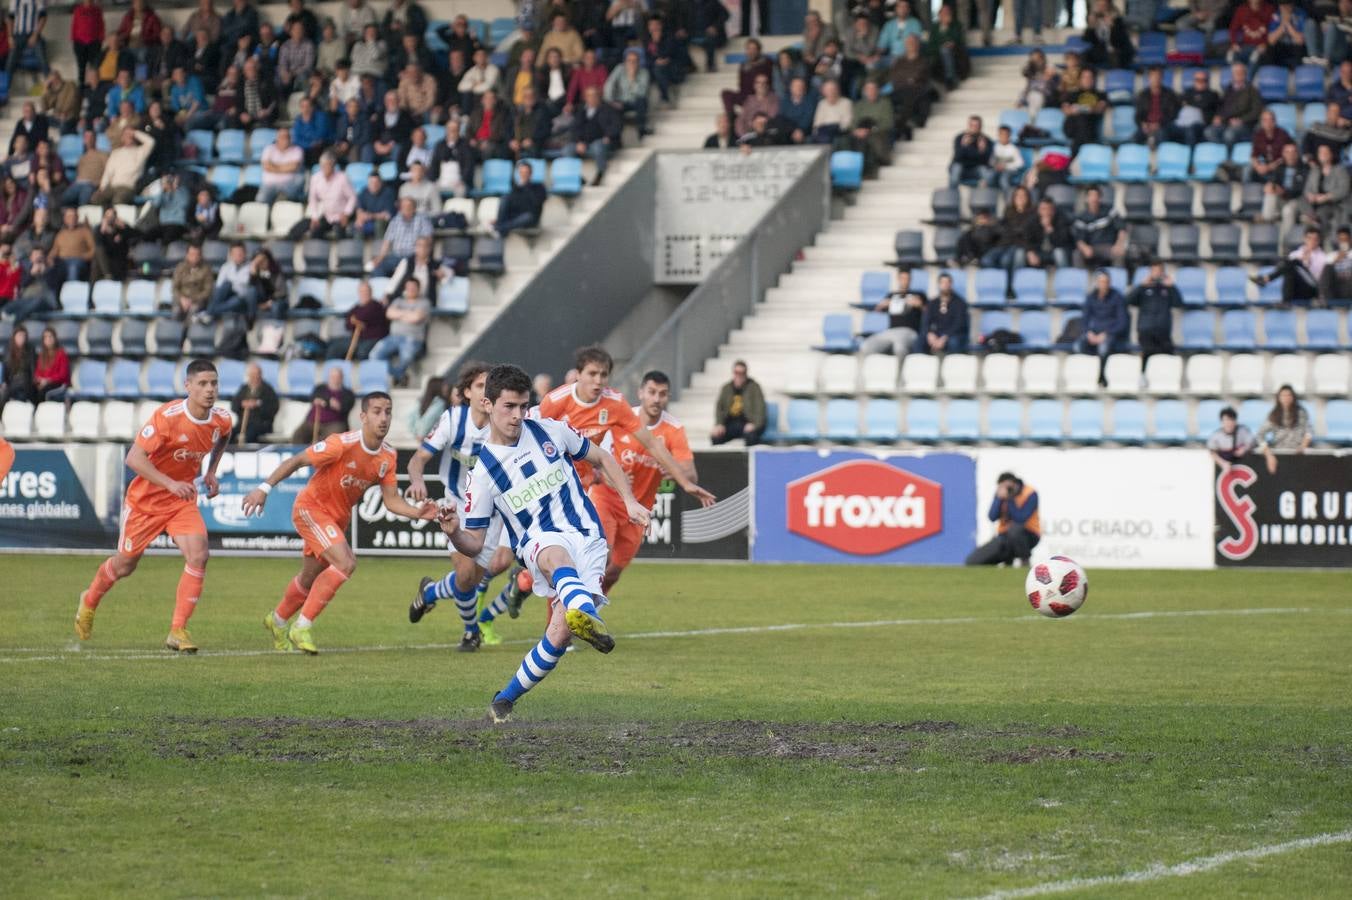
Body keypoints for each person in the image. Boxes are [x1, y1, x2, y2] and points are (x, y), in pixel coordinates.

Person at [437, 364, 651, 723]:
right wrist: (454, 532)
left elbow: (601, 456)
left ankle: (504, 699)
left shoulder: (551, 431)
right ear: (488, 404)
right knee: (554, 555)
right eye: (509, 407)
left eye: (523, 407)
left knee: (558, 633)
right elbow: (473, 545)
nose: (518, 416)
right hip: (539, 543)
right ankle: (586, 612)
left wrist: (628, 500)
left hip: (588, 537)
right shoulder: (483, 475)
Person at [246, 392, 438, 654]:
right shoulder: (341, 444)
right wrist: (263, 489)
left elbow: (391, 501)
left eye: (388, 412)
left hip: (337, 519)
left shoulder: (388, 457)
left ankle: (277, 620)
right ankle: (302, 626)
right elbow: (298, 459)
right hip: (311, 509)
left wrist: (418, 513)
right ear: (363, 416)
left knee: (308, 578)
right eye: (377, 411)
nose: (384, 418)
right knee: (346, 562)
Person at [75, 359, 231, 652]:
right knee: (125, 565)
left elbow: (224, 437)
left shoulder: (221, 419)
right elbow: (133, 458)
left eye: (214, 383)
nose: (209, 390)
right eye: (202, 384)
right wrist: (170, 483)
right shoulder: (168, 417)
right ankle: (90, 599)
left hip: (180, 501)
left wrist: (211, 471)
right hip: (145, 503)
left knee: (199, 554)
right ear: (188, 386)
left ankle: (178, 630)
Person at [541, 345, 713, 588]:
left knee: (610, 572)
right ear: (578, 374)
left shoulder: (615, 405)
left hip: (620, 497)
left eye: (603, 375)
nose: (598, 381)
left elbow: (652, 444)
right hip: (574, 489)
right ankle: (536, 595)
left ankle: (584, 613)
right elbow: (531, 436)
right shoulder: (555, 401)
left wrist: (685, 483)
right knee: (592, 557)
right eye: (592, 374)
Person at [406, 362, 518, 648]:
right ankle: (471, 632)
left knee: (470, 580)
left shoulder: (505, 424)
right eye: (479, 385)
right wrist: (417, 480)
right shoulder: (453, 420)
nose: (484, 392)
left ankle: (430, 593)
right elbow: (417, 459)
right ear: (467, 392)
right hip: (456, 507)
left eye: (489, 386)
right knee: (466, 575)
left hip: (493, 513)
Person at [596, 370, 696, 595]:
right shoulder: (621, 420)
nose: (656, 399)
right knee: (601, 558)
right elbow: (599, 462)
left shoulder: (674, 429)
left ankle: (586, 615)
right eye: (651, 392)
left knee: (613, 573)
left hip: (639, 510)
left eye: (662, 394)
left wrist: (674, 470)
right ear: (641, 393)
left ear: (668, 397)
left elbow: (691, 474)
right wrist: (616, 477)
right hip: (607, 499)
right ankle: (567, 614)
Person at [965, 472, 1040, 566]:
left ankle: (1024, 561)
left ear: (1015, 484)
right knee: (972, 561)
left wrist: (1009, 498)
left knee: (1015, 530)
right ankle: (1006, 561)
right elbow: (992, 517)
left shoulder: (1030, 493)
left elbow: (1021, 518)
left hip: (1028, 536)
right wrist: (998, 499)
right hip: (1004, 538)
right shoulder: (1000, 494)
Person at [370, 277, 429, 385]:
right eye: (408, 287)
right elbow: (389, 314)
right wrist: (408, 314)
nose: (411, 289)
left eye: (413, 287)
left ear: (418, 289)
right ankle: (399, 375)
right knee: (374, 355)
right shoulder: (398, 300)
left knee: (406, 357)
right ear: (405, 288)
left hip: (413, 338)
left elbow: (416, 317)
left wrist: (399, 314)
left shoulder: (424, 302)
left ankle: (398, 375)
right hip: (393, 337)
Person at [1077, 269, 1129, 383]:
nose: (1103, 284)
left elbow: (1122, 322)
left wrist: (1106, 334)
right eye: (1101, 281)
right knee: (1078, 346)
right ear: (1097, 282)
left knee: (1103, 348)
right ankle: (1084, 377)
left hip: (1110, 334)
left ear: (1109, 282)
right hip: (1093, 333)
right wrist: (1088, 332)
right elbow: (1084, 320)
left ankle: (1101, 378)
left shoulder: (1117, 297)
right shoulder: (1091, 297)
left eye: (1106, 282)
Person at [1253, 226, 1326, 305]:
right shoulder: (1296, 253)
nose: (1311, 241)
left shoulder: (1323, 258)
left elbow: (1318, 280)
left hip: (1311, 289)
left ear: (1318, 241)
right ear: (1304, 239)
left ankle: (1266, 278)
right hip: (1297, 289)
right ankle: (1285, 301)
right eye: (1309, 238)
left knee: (1294, 261)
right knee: (1290, 264)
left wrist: (1307, 264)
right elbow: (1286, 270)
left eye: (1314, 239)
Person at [861, 268, 924, 357]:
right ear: (898, 279)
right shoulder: (891, 295)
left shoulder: (919, 294)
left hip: (909, 331)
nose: (905, 281)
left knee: (899, 347)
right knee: (867, 346)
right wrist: (882, 304)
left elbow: (929, 312)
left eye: (907, 279)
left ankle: (899, 370)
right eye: (902, 278)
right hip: (891, 331)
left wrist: (919, 305)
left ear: (910, 280)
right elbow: (878, 310)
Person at [1128, 261, 1182, 362]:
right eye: (1154, 271)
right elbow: (1129, 301)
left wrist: (1172, 287)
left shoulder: (1168, 288)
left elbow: (1178, 303)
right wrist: (1141, 286)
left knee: (1168, 355)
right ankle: (1143, 376)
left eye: (1159, 271)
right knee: (1148, 355)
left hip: (1163, 330)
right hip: (1146, 330)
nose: (1156, 273)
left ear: (1163, 272)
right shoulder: (1144, 288)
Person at [296, 151, 356, 239]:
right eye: (323, 166)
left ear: (333, 165)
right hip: (327, 215)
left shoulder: (342, 178)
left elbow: (352, 197)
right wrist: (315, 216)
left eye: (328, 165)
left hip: (342, 215)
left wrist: (346, 213)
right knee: (315, 232)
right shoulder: (315, 178)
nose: (326, 168)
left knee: (341, 234)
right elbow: (312, 199)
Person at [569, 85, 622, 185]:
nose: (592, 98)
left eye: (594, 96)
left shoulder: (609, 109)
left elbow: (617, 125)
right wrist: (579, 141)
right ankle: (577, 177)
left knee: (598, 147)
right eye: (589, 96)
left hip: (601, 140)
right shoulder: (581, 110)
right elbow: (574, 128)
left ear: (599, 96)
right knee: (567, 150)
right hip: (584, 142)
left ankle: (600, 173)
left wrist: (609, 136)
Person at [1258, 384, 1313, 473]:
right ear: (1278, 398)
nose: (1286, 398)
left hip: (1298, 455)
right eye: (1283, 395)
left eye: (1289, 395)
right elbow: (1260, 435)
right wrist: (1268, 455)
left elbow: (1309, 431)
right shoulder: (1274, 415)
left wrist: (1303, 446)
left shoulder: (1301, 413)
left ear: (1293, 397)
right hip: (1280, 454)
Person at [368, 196, 430, 275]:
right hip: (396, 256)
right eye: (403, 207)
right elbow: (387, 242)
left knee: (407, 271)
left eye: (409, 206)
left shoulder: (422, 221)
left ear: (414, 208)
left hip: (413, 257)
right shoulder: (395, 221)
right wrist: (380, 258)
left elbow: (428, 241)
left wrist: (422, 257)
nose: (406, 209)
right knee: (378, 267)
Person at [292, 365, 355, 443]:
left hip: (334, 423)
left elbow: (343, 407)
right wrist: (329, 402)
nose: (334, 379)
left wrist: (326, 402)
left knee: (332, 437)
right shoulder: (320, 388)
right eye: (332, 377)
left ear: (342, 378)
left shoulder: (348, 394)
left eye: (337, 377)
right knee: (299, 434)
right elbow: (314, 398)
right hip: (313, 422)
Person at [91, 128, 154, 205]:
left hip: (128, 187)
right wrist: (102, 188)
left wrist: (135, 132)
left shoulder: (140, 151)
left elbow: (151, 142)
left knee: (118, 200)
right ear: (122, 138)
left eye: (129, 134)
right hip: (112, 187)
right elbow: (108, 172)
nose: (128, 137)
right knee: (96, 199)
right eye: (125, 134)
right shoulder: (116, 153)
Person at [1205, 63, 1263, 146]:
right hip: (1226, 122)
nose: (1238, 74)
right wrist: (1218, 116)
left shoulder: (1252, 91)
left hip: (1245, 125)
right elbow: (1221, 106)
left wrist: (1241, 120)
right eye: (1236, 72)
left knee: (1229, 134)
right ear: (1232, 75)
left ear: (1245, 74)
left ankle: (1229, 156)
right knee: (1209, 132)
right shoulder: (1228, 89)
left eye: (1241, 72)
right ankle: (1223, 151)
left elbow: (1256, 111)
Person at [325, 281, 386, 360]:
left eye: (366, 291)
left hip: (373, 339)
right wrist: (355, 321)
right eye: (362, 291)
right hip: (358, 339)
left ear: (371, 292)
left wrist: (355, 320)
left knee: (362, 352)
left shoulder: (376, 306)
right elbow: (348, 324)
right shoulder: (356, 308)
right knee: (335, 347)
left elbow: (365, 316)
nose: (364, 294)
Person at [1296, 144, 1349, 235]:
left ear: (1331, 154)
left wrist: (1326, 197)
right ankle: (1313, 218)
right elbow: (1307, 189)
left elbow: (1343, 190)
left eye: (1325, 152)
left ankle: (1313, 222)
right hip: (1315, 202)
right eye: (1320, 152)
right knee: (1301, 200)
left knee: (1322, 212)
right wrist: (1310, 195)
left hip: (1331, 203)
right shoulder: (1315, 170)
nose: (1323, 154)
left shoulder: (1340, 170)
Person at [202, 242, 256, 323]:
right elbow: (219, 286)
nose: (238, 256)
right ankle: (210, 313)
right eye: (235, 254)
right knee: (226, 284)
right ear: (231, 255)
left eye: (240, 254)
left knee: (236, 300)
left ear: (245, 253)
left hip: (240, 297)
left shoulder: (251, 267)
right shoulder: (226, 266)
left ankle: (208, 313)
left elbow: (247, 286)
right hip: (226, 296)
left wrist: (233, 283)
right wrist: (233, 283)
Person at [1073, 185, 1126, 266]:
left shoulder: (1110, 211)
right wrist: (1085, 248)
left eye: (1096, 196)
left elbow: (1122, 229)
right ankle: (1081, 278)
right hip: (1091, 248)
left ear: (1100, 198)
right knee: (1077, 254)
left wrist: (1119, 245)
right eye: (1091, 196)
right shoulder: (1081, 217)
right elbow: (1079, 240)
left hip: (1108, 247)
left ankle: (1117, 277)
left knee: (1119, 253)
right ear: (1086, 199)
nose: (1094, 199)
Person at [917, 273, 970, 354]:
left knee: (954, 342)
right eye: (942, 282)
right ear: (938, 284)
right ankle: (921, 365)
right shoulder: (932, 303)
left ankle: (952, 365)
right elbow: (926, 321)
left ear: (951, 284)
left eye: (947, 282)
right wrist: (929, 334)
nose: (945, 285)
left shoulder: (960, 303)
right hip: (936, 334)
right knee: (920, 341)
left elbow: (959, 324)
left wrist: (945, 337)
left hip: (953, 335)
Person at [490, 161, 546, 238]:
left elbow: (536, 203)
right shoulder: (516, 188)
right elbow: (512, 205)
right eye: (521, 172)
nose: (523, 175)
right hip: (515, 217)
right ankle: (500, 225)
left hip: (529, 217)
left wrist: (526, 186)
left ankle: (498, 228)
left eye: (526, 172)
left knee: (527, 217)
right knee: (505, 198)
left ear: (530, 173)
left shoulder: (538, 187)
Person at [6, 0, 50, 94]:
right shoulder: (14, 1)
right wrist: (10, 37)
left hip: (33, 34)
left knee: (43, 60)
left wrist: (35, 35)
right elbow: (10, 18)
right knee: (10, 62)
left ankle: (50, 88)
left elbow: (43, 17)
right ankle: (5, 90)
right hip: (18, 35)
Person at [1060, 67, 1106, 152]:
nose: (1087, 80)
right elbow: (1066, 110)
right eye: (1084, 77)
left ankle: (1075, 155)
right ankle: (1086, 150)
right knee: (1081, 119)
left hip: (1091, 126)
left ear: (1094, 79)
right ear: (1080, 79)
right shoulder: (1072, 94)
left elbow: (1100, 108)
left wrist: (1080, 109)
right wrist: (1087, 109)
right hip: (1072, 126)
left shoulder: (1100, 94)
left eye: (1090, 77)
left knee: (1083, 120)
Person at [230, 361, 279, 443]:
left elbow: (273, 407)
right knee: (228, 434)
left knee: (250, 435)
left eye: (257, 375)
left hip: (261, 425)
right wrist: (242, 404)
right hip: (243, 424)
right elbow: (234, 405)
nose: (254, 378)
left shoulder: (267, 390)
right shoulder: (244, 388)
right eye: (252, 376)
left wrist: (257, 404)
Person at [1133, 67, 1180, 147]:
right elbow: (1137, 115)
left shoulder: (1169, 94)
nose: (1156, 79)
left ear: (1162, 78)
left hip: (1163, 126)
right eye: (1153, 77)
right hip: (1147, 126)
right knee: (1134, 139)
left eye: (1158, 77)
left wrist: (1159, 124)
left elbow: (1172, 114)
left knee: (1161, 135)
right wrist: (1142, 124)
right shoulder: (1143, 95)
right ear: (1149, 78)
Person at [49, 206, 95, 287]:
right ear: (65, 219)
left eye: (74, 216)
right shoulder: (61, 234)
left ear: (77, 218)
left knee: (73, 267)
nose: (72, 219)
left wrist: (84, 256)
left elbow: (93, 249)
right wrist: (50, 258)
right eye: (69, 216)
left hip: (78, 261)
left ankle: (72, 294)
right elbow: (55, 250)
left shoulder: (85, 231)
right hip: (62, 261)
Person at [258, 128, 305, 203]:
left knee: (292, 194)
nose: (285, 139)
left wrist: (274, 166)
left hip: (289, 184)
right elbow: (266, 166)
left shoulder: (297, 150)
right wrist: (285, 166)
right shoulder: (269, 149)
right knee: (261, 200)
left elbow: (293, 167)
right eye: (282, 136)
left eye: (287, 136)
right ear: (277, 138)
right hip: (270, 184)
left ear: (290, 138)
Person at [1247, 108, 1293, 184]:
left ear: (1275, 121)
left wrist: (1269, 167)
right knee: (1248, 170)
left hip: (1279, 165)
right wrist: (1257, 166)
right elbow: (1254, 155)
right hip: (1265, 164)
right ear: (1261, 122)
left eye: (1270, 120)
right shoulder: (1258, 135)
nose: (1268, 123)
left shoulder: (1283, 134)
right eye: (1265, 120)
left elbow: (1286, 156)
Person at [171, 242, 214, 321]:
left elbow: (208, 291)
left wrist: (192, 300)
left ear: (200, 256)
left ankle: (187, 332)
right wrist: (182, 299)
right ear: (187, 255)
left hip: (198, 301)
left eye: (197, 254)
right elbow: (174, 288)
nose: (194, 257)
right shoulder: (180, 267)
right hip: (181, 300)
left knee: (193, 311)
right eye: (192, 254)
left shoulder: (206, 270)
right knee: (176, 311)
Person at [1030, 197, 1074, 269]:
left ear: (1053, 210)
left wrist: (1050, 230)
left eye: (1049, 209)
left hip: (1055, 251)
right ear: (1039, 210)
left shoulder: (1062, 220)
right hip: (1040, 252)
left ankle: (1065, 277)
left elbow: (1063, 242)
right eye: (1043, 209)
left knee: (1059, 253)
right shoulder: (1033, 221)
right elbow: (1029, 241)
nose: (1046, 212)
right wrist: (1030, 252)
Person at [948, 115, 991, 187]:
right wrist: (964, 146)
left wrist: (982, 150)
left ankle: (985, 195)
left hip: (976, 169)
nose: (974, 128)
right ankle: (951, 196)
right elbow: (957, 157)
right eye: (972, 125)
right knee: (956, 169)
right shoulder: (960, 138)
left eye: (976, 126)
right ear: (968, 125)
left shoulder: (985, 140)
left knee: (986, 173)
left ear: (980, 127)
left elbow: (986, 161)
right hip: (961, 168)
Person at [1208, 406, 1254, 471]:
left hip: (1244, 465)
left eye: (1231, 420)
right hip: (1224, 466)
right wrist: (1222, 463)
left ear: (1235, 421)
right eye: (1226, 420)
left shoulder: (1243, 430)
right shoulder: (1216, 435)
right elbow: (1212, 452)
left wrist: (1244, 449)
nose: (1229, 423)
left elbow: (1251, 441)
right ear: (1221, 421)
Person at [0, 325, 35, 407]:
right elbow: (5, 369)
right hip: (11, 382)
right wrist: (4, 382)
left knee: (8, 394)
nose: (21, 338)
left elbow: (32, 369)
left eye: (23, 336)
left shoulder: (30, 350)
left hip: (25, 382)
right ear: (14, 337)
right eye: (19, 336)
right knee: (5, 392)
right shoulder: (8, 351)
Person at [1319, 225, 1352, 302]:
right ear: (1338, 240)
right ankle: (1329, 302)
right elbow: (1324, 277)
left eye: (1345, 240)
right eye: (1341, 240)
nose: (1343, 242)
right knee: (1327, 268)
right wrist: (1335, 261)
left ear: (1350, 240)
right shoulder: (1331, 256)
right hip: (1336, 287)